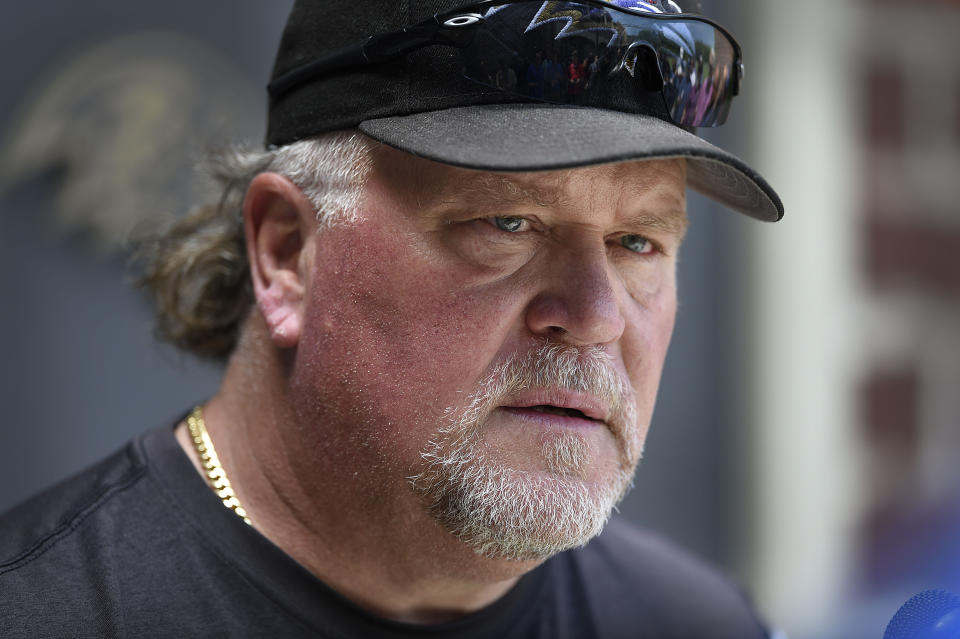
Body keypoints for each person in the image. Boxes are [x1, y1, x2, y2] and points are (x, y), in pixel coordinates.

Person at [0, 1, 783, 637]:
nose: (595, 317)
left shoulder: (696, 621)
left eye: (637, 241)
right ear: (288, 252)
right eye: (507, 224)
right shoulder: (40, 609)